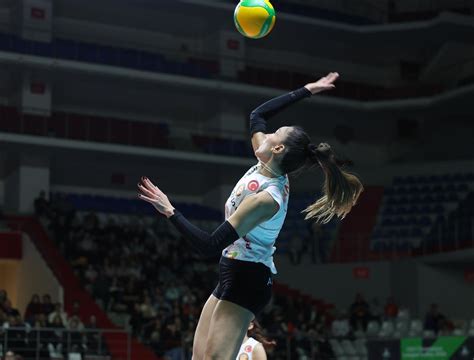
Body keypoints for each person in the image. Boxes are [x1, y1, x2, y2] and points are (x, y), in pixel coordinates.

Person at [138, 72, 364, 359]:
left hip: (249, 279)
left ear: (278, 149)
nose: (265, 134)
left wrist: (170, 211)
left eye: (272, 135)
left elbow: (208, 246)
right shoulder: (265, 159)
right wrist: (307, 89)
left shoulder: (266, 199)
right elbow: (259, 114)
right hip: (231, 270)